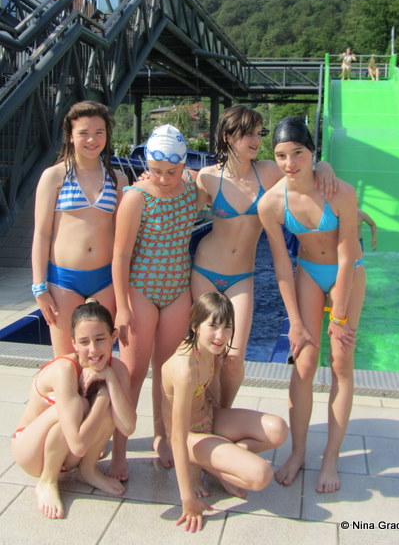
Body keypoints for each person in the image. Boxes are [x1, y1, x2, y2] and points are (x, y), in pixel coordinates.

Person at [191, 105, 337, 409]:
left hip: (241, 277)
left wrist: (324, 167)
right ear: (229, 136)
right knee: (206, 353)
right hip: (205, 271)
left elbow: (304, 174)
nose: (257, 140)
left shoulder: (268, 172)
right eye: (249, 134)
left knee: (233, 357)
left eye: (259, 133)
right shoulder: (208, 177)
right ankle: (203, 413)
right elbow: (181, 214)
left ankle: (223, 413)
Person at [258, 117, 365, 493]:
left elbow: (347, 253)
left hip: (346, 273)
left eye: (298, 153)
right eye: (281, 155)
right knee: (303, 361)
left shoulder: (339, 192)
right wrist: (294, 322)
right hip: (307, 272)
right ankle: (299, 452)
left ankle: (331, 458)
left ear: (312, 152)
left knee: (341, 361)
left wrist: (339, 313)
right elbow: (281, 265)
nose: (290, 163)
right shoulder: (271, 203)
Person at [111, 124, 201, 478]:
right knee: (132, 374)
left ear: (184, 165)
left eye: (172, 171)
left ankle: (161, 437)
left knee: (167, 373)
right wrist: (122, 306)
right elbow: (120, 256)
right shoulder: (136, 197)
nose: (163, 179)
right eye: (157, 170)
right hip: (141, 290)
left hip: (178, 289)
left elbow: (224, 176)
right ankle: (119, 450)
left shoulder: (193, 186)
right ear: (147, 165)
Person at [161, 292, 287, 532]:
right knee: (260, 475)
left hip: (208, 417)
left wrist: (225, 446)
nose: (221, 336)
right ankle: (212, 466)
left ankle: (218, 466)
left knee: (278, 429)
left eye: (227, 327)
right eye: (213, 326)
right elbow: (177, 437)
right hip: (188, 437)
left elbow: (212, 394)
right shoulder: (184, 368)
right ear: (195, 325)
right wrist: (188, 499)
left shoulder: (212, 350)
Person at [11, 299, 136, 519]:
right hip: (32, 452)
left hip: (70, 455)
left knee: (112, 408)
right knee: (80, 404)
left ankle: (87, 470)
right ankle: (47, 481)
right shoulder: (65, 369)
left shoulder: (117, 369)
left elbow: (127, 427)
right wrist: (104, 396)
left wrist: (109, 379)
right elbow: (77, 446)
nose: (93, 349)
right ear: (74, 344)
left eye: (100, 339)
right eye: (84, 342)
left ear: (113, 337)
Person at [31, 101, 127, 356]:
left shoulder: (118, 179)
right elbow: (41, 234)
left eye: (99, 132)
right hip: (64, 280)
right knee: (67, 359)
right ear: (70, 136)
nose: (92, 139)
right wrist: (39, 287)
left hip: (105, 279)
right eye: (84, 133)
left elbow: (123, 236)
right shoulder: (54, 176)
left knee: (101, 357)